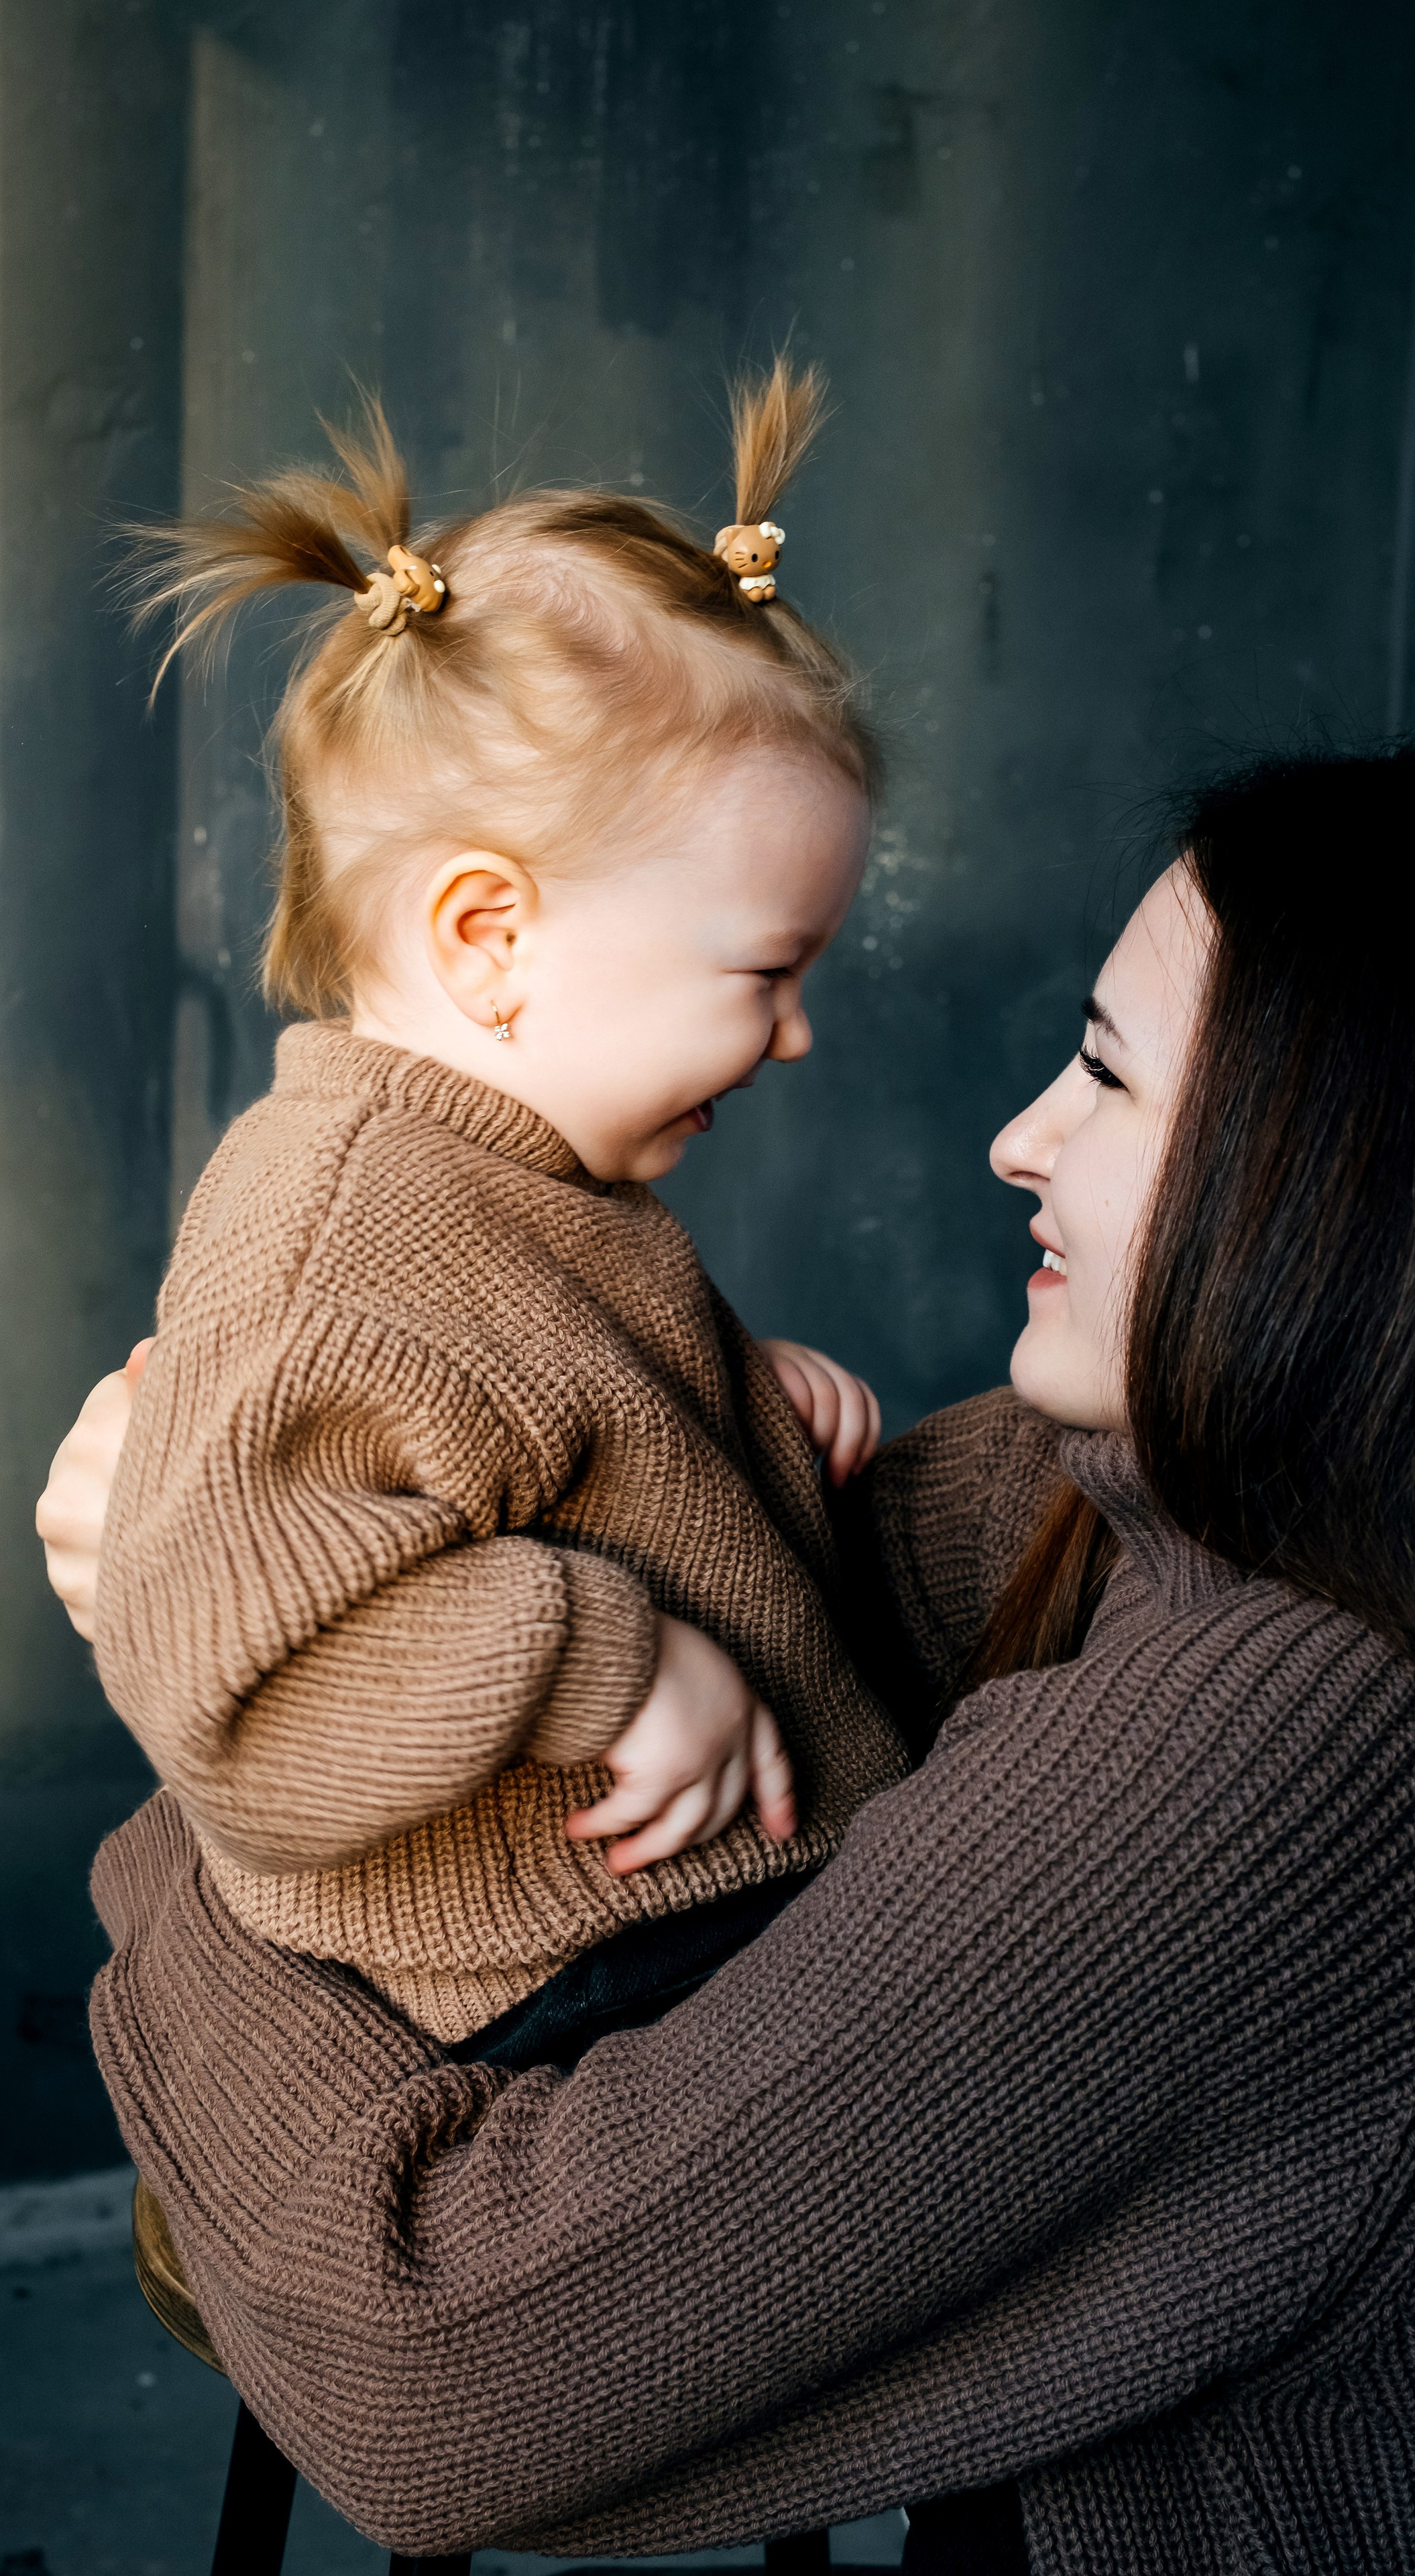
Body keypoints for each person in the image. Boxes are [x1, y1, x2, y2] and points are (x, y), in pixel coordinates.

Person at [42, 736, 1415, 2573]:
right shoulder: (1355, 1511)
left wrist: (219, 1717)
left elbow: (435, 2376)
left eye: (1105, 1075)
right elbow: (780, 1598)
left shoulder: (1292, 1752)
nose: (1018, 1139)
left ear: (1357, 1181)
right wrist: (304, 1581)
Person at [90, 362, 909, 2059]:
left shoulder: (514, 1174)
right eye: (763, 973)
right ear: (489, 937)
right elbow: (243, 1685)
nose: (795, 1034)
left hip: (687, 1904)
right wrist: (614, 1662)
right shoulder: (337, 1236)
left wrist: (731, 1405)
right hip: (588, 1969)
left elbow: (531, 1431)